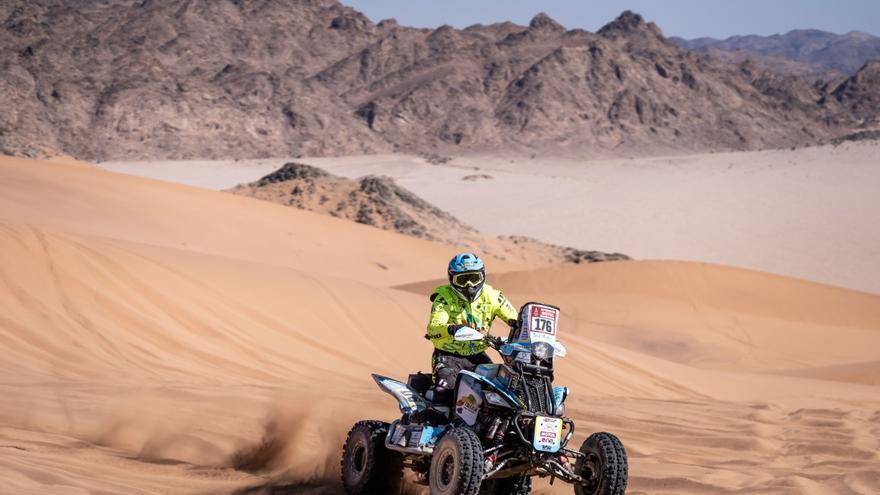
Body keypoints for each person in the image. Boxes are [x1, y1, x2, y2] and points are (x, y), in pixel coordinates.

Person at [424, 253, 518, 401]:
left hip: (478, 355)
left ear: (482, 276)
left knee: (501, 390)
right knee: (444, 389)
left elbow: (515, 318)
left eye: (474, 278)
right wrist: (451, 329)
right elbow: (433, 328)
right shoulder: (443, 298)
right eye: (462, 280)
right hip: (448, 355)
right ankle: (431, 420)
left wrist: (521, 326)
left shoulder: (493, 296)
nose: (469, 285)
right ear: (452, 279)